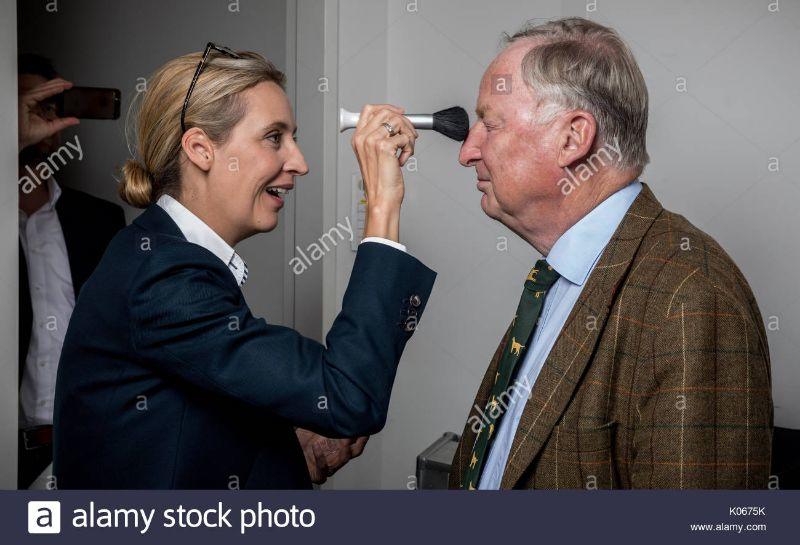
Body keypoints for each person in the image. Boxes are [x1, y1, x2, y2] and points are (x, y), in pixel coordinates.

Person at [52, 43, 436, 489]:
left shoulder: (165, 255)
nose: (299, 162)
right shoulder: (164, 278)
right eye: (274, 137)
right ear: (200, 149)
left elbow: (179, 431)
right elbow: (346, 396)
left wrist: (292, 455)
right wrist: (383, 206)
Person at [449, 18, 772, 490]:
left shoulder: (692, 300)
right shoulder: (562, 275)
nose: (468, 151)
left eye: (490, 125)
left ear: (573, 139)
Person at [17, 53, 126, 489]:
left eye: (47, 106)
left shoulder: (100, 220)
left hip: (85, 447)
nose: (34, 120)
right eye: (22, 104)